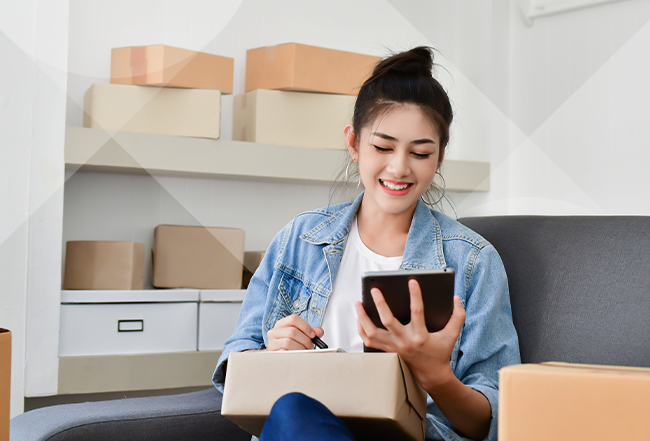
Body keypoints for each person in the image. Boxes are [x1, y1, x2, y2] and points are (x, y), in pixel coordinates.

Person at [212, 47, 520, 441]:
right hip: (303, 429)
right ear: (354, 143)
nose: (399, 168)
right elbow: (234, 364)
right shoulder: (299, 239)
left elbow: (490, 423)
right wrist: (269, 356)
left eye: (421, 152)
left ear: (439, 158)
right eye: (383, 147)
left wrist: (436, 375)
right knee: (292, 412)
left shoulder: (473, 262)